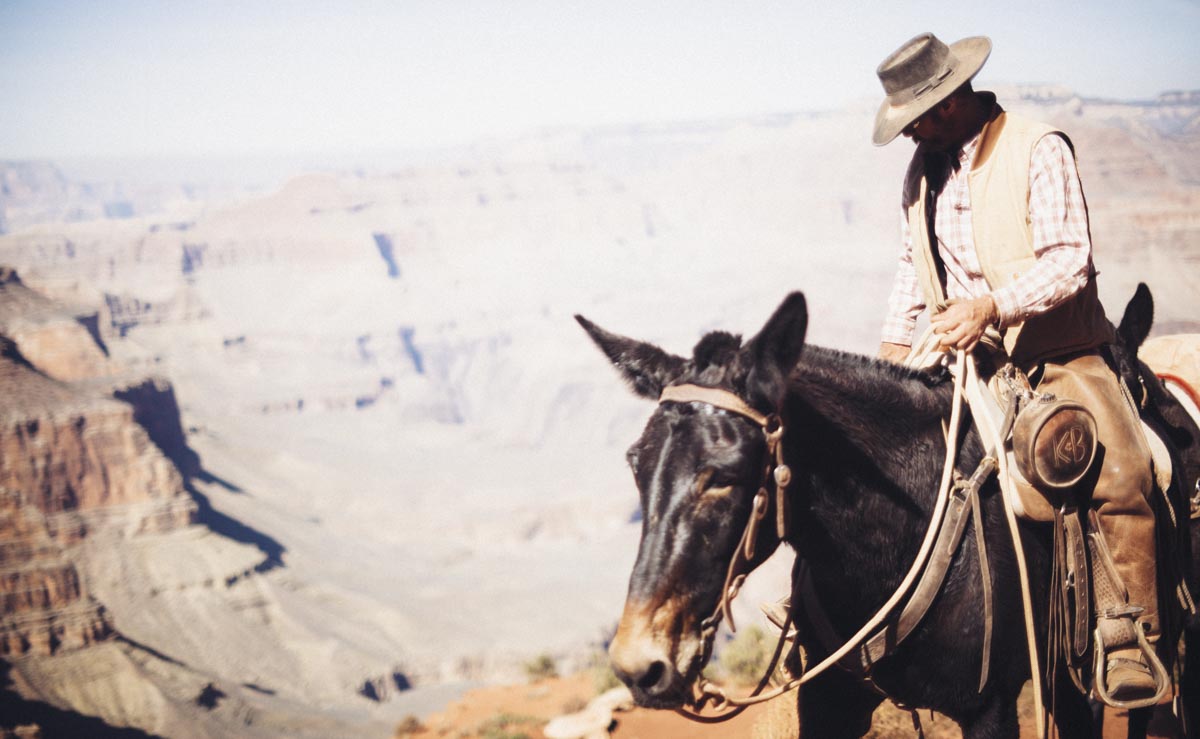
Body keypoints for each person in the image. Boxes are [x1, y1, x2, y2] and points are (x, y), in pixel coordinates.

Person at [871, 32, 1160, 705]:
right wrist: (891, 350)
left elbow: (1069, 259)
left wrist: (991, 305)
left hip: (1057, 349)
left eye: (916, 116)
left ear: (947, 102)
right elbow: (912, 264)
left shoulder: (1037, 147)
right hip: (962, 352)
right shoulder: (922, 170)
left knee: (1120, 469)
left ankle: (1130, 634)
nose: (911, 131)